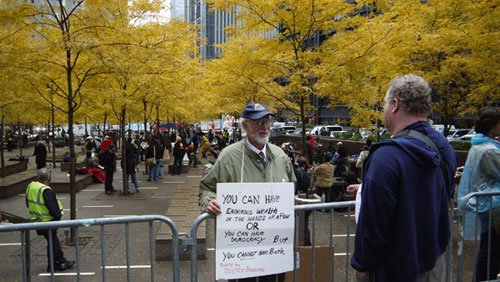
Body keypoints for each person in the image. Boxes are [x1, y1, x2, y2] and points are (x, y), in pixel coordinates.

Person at [351, 74, 457, 281]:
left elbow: (373, 223)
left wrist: (361, 264)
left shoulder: (385, 157)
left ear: (395, 104)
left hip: (394, 269)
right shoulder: (444, 147)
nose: (383, 110)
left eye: (384, 103)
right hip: (434, 261)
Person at [199, 103, 296, 282]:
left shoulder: (280, 156)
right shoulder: (228, 156)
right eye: (258, 122)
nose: (264, 127)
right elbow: (207, 187)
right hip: (241, 254)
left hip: (274, 251)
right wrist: (209, 201)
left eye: (267, 121)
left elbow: (292, 188)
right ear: (245, 126)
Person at [457, 106, 500, 281]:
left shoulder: (478, 145)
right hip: (495, 207)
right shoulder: (490, 150)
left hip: (487, 205)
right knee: (491, 251)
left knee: (489, 249)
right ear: (493, 125)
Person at [26, 168, 74, 272]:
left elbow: (27, 203)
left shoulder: (30, 186)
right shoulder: (46, 190)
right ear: (48, 178)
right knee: (52, 242)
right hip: (48, 220)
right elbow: (54, 209)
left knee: (53, 240)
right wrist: (57, 217)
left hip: (37, 220)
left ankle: (61, 260)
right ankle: (52, 265)